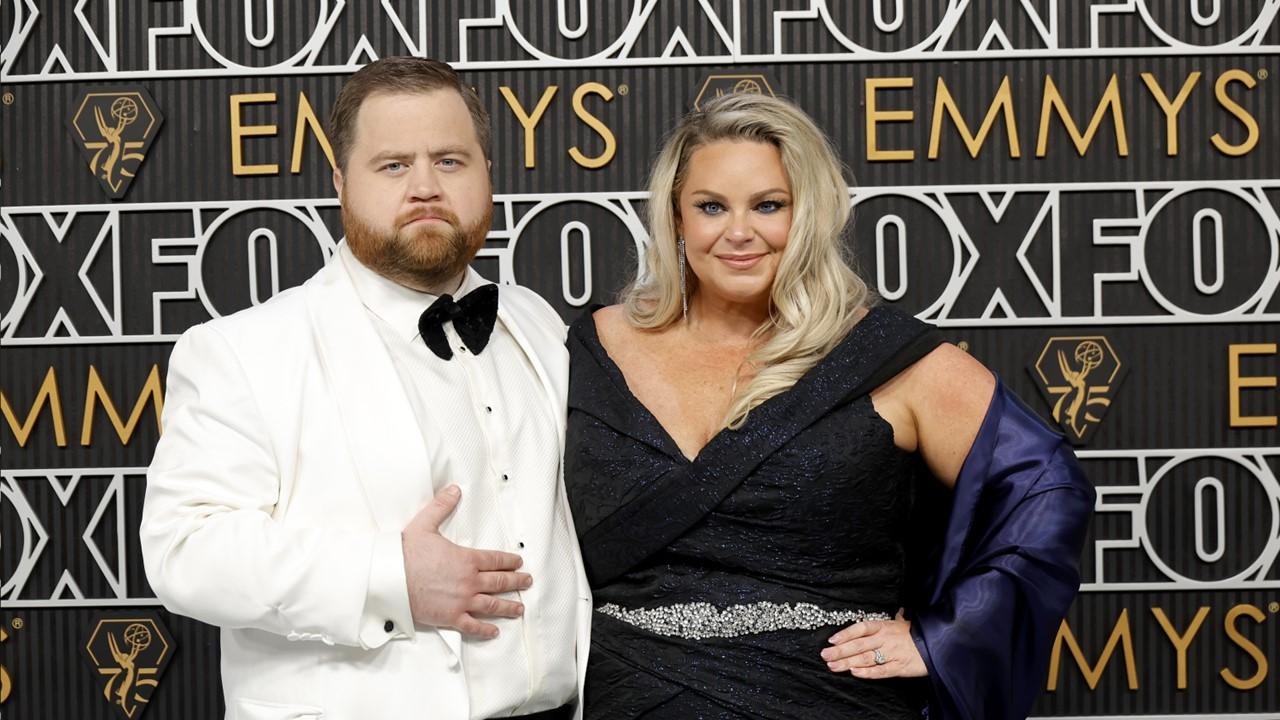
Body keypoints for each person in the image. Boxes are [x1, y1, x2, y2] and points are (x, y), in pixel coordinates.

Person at [563, 93, 1094, 719]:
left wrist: (951, 634)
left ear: (809, 213)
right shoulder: (588, 345)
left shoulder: (885, 356)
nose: (739, 232)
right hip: (627, 697)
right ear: (676, 218)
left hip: (827, 698)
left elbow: (1046, 488)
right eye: (711, 207)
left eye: (769, 206)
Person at [140, 57, 590, 720]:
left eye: (450, 160)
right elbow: (184, 552)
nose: (425, 187)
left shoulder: (537, 322)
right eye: (392, 165)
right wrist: (390, 578)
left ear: (488, 175)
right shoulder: (242, 352)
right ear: (340, 183)